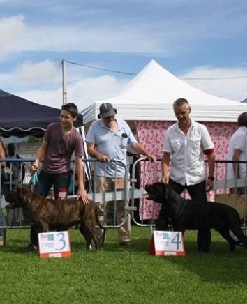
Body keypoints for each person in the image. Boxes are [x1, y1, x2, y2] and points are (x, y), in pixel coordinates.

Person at [86, 103, 156, 246]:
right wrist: (99, 155)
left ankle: (125, 238)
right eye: (107, 117)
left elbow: (134, 144)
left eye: (112, 116)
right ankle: (98, 238)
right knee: (99, 207)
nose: (110, 119)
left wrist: (147, 153)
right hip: (102, 174)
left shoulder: (124, 125)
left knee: (124, 207)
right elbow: (89, 148)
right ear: (101, 116)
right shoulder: (95, 126)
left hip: (121, 174)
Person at [28, 103, 89, 252]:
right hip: (45, 173)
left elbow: (79, 162)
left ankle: (57, 244)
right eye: (61, 116)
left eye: (66, 117)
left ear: (74, 118)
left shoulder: (77, 137)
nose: (62, 119)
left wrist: (81, 188)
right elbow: (43, 146)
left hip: (62, 175)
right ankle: (34, 243)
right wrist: (37, 161)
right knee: (34, 207)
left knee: (61, 209)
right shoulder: (51, 128)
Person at [161, 97, 215, 253]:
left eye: (183, 112)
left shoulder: (201, 129)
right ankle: (167, 247)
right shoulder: (170, 131)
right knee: (166, 212)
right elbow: (165, 156)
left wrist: (211, 177)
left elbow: (211, 154)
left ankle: (204, 247)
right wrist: (165, 173)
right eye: (177, 113)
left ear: (189, 110)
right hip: (176, 177)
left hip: (197, 177)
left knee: (203, 213)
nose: (180, 116)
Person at [226, 112, 247, 194]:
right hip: (241, 178)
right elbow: (235, 157)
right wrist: (238, 180)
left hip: (239, 177)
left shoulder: (239, 134)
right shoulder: (241, 135)